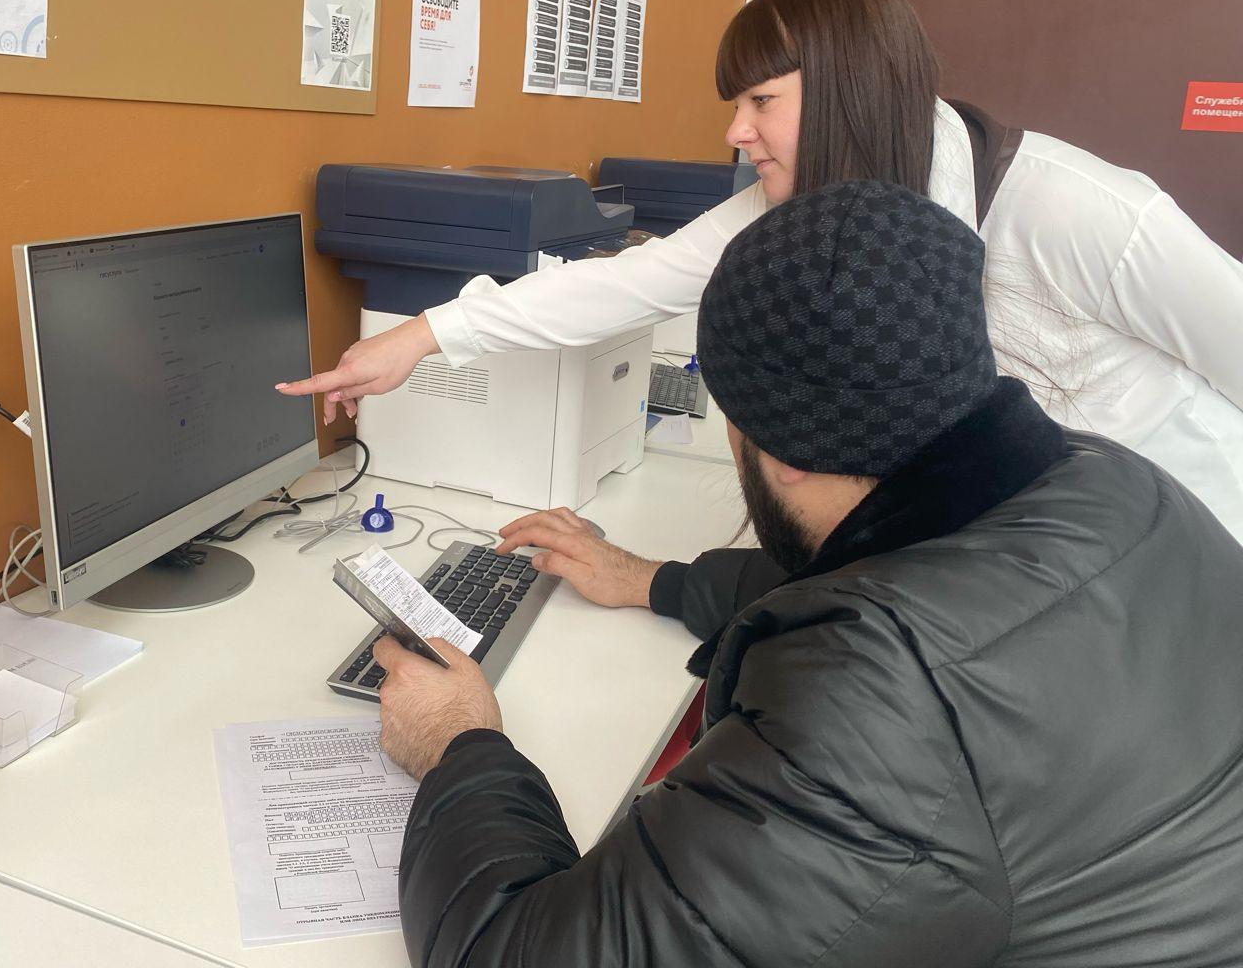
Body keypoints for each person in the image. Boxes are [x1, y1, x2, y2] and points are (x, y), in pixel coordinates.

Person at [373, 180, 1243, 966]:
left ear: (778, 450)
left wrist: (457, 744)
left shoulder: (877, 715)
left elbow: (511, 953)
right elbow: (927, 600)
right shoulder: (1121, 485)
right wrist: (656, 580)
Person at [277, 0, 1243, 541]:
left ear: (850, 90)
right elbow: (627, 285)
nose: (736, 133)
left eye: (761, 101)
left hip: (1192, 545)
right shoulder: (802, 209)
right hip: (1031, 554)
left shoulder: (1074, 210)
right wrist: (419, 338)